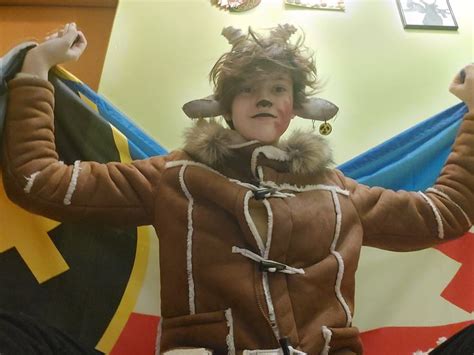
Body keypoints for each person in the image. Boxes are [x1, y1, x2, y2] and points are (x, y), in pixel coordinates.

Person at [2, 22, 473, 355]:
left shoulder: (338, 191)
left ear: (298, 108)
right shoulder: (175, 176)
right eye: (248, 88)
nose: (264, 96)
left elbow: (446, 213)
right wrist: (36, 70)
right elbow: (40, 182)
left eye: (279, 88)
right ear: (226, 106)